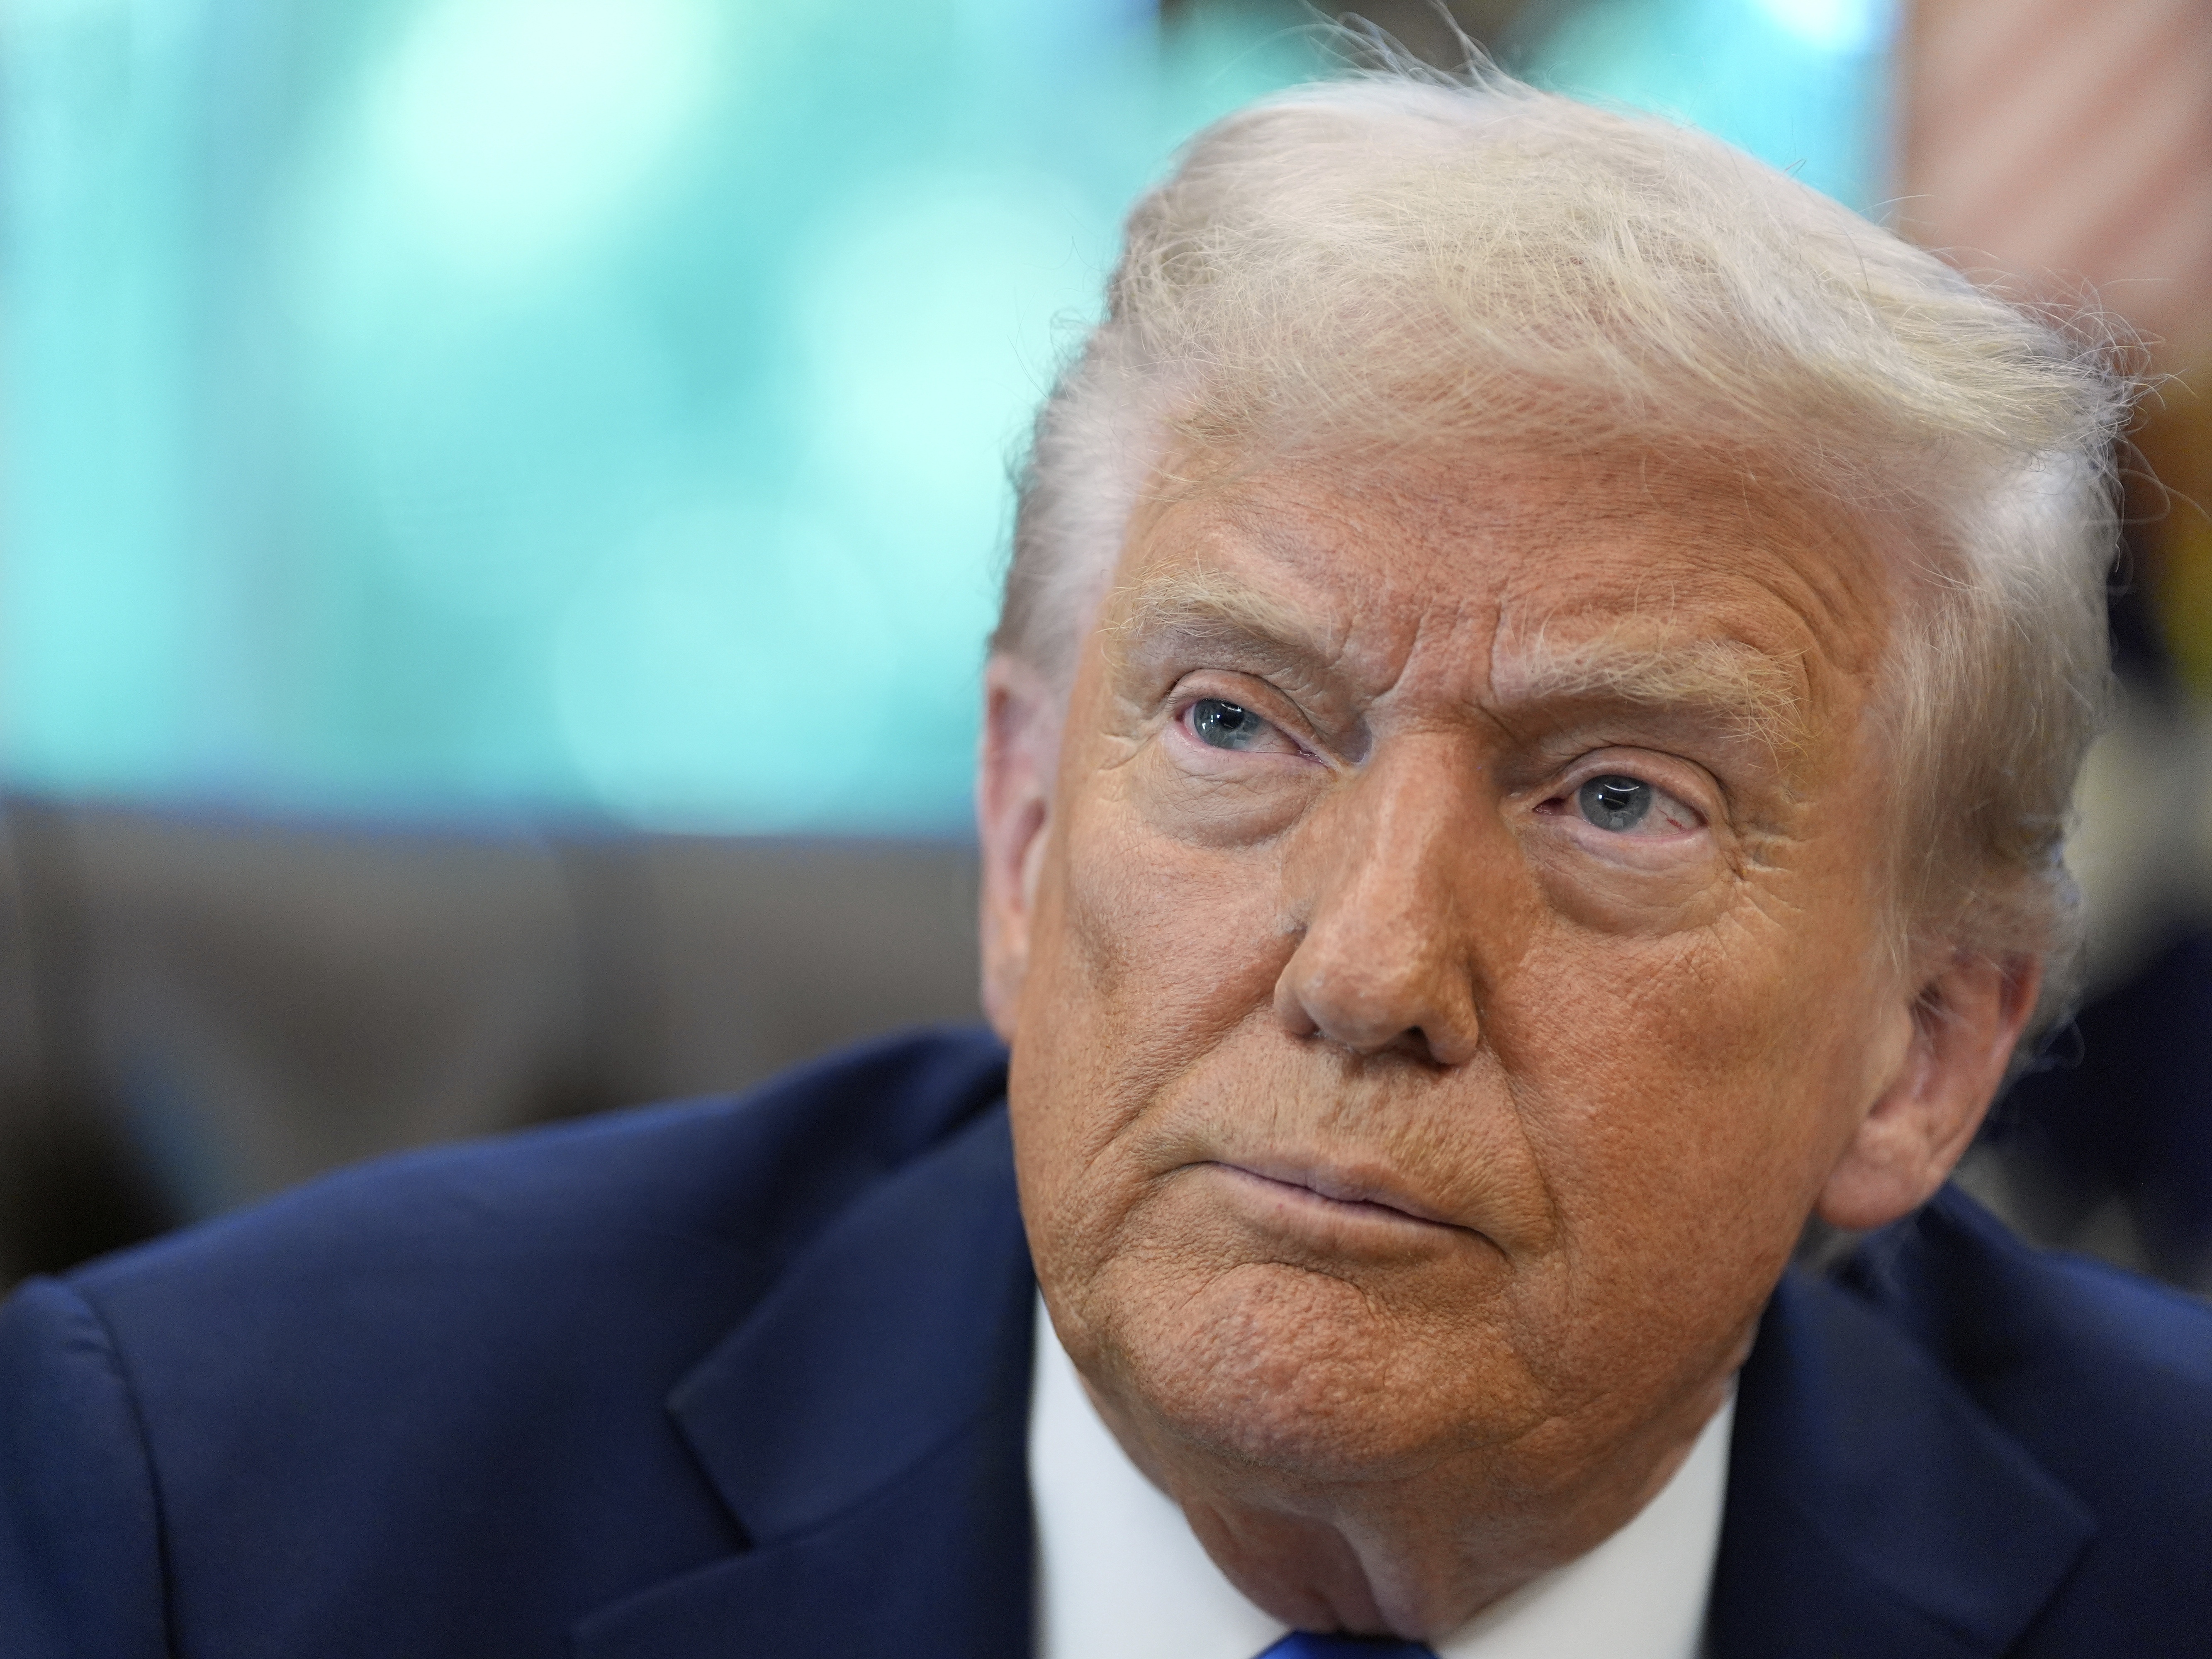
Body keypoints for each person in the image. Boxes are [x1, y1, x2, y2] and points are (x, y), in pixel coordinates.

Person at [5, 66, 2208, 1659]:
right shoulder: (218, 1521)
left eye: (1616, 800)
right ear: (1025, 825)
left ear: (1921, 1049)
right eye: (1237, 725)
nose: (1369, 969)